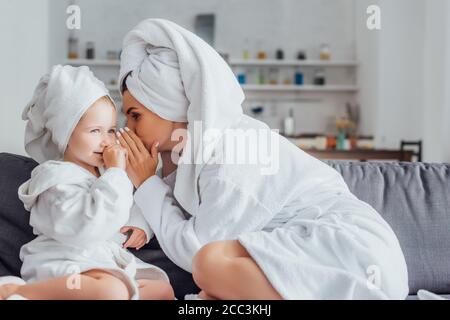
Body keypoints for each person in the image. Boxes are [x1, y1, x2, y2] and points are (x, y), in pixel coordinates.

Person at [0, 65, 173, 300]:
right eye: (94, 131)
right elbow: (89, 226)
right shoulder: (54, 178)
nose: (105, 140)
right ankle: (18, 290)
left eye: (111, 130)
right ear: (65, 134)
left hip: (101, 262)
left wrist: (141, 225)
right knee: (110, 291)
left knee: (162, 290)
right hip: (66, 265)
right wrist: (115, 173)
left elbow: (131, 203)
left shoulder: (104, 171)